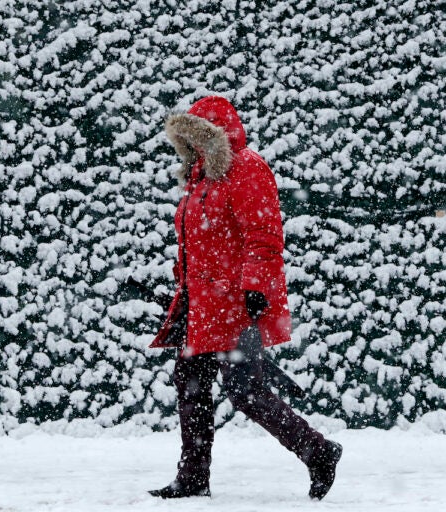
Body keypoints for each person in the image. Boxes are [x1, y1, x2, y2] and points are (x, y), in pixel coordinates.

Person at [148, 96, 342, 500]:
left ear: (214, 135)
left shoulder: (246, 169)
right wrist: (180, 283)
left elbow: (264, 235)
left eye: (197, 136)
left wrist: (255, 289)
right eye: (186, 139)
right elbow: (196, 241)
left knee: (246, 392)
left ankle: (318, 451)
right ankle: (193, 477)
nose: (190, 145)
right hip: (199, 304)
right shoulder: (199, 177)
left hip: (233, 302)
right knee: (191, 386)